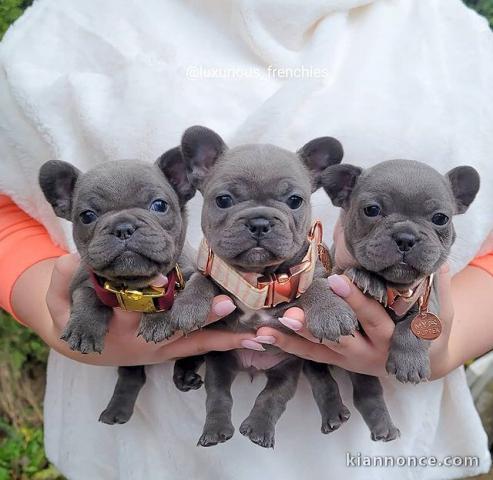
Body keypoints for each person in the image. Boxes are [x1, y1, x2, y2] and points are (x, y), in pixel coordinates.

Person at [1, 0, 492, 478]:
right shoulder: (65, 24)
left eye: (293, 202)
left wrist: (451, 340)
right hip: (139, 441)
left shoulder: (461, 42)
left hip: (390, 445)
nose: (259, 222)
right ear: (195, 176)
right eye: (226, 200)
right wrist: (48, 309)